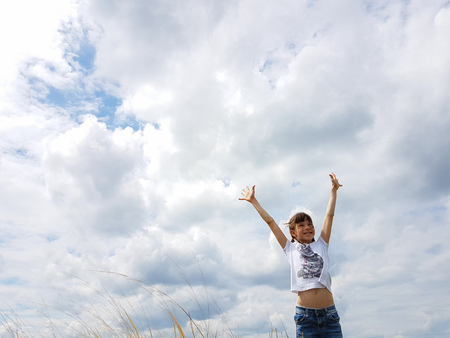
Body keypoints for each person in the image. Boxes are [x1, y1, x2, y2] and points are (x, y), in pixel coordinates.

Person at [239, 173, 343, 337]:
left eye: (310, 224)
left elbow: (329, 216)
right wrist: (253, 201)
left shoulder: (322, 244)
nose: (308, 227)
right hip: (305, 318)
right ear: (293, 233)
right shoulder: (290, 248)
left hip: (329, 316)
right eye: (302, 225)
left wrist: (334, 191)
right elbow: (271, 222)